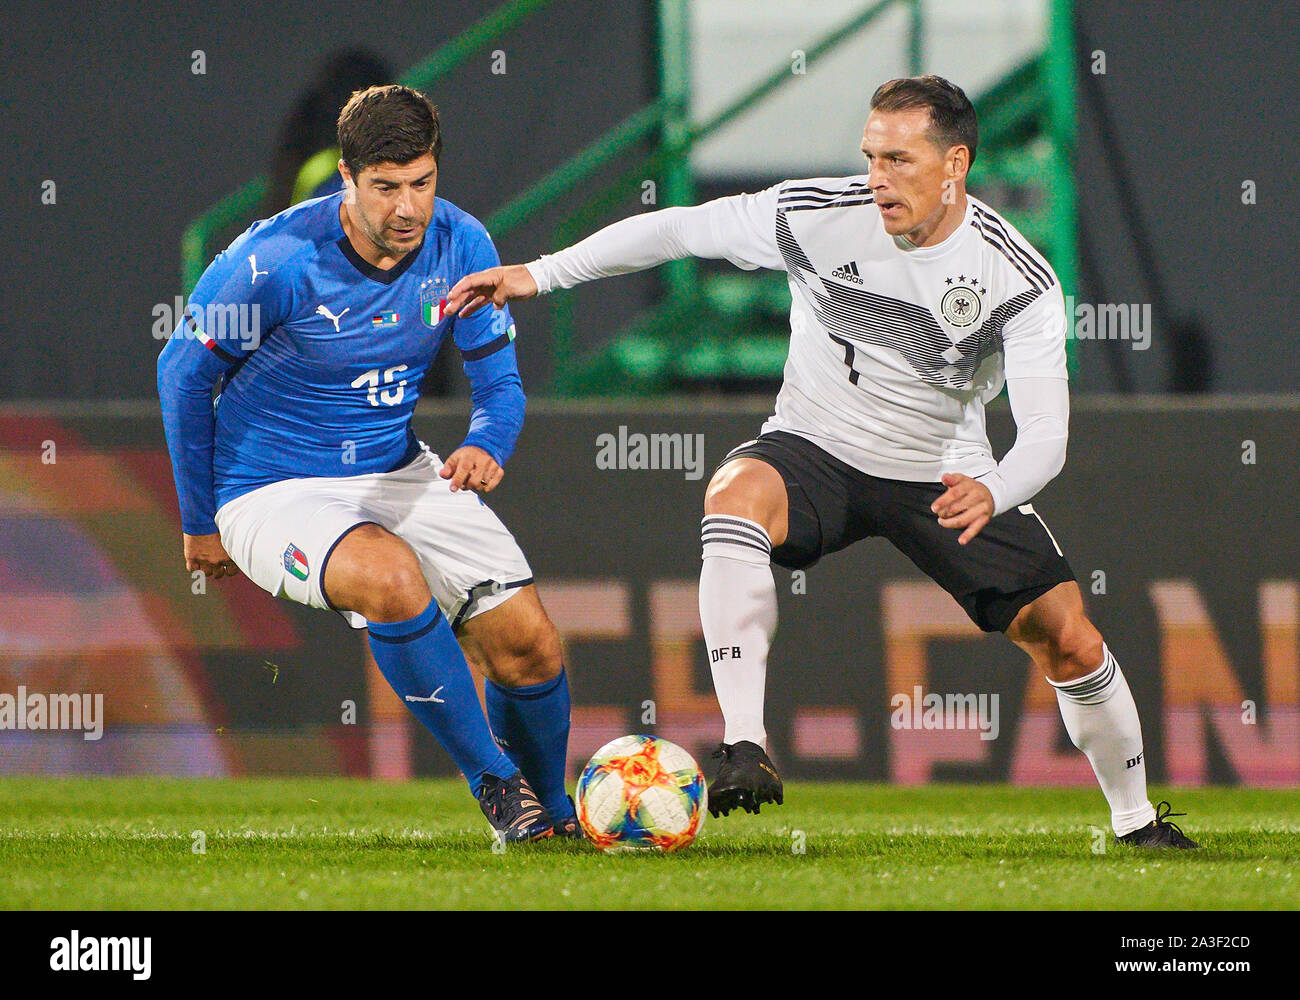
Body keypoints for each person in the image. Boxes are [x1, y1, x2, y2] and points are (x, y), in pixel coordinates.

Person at [445, 75, 1197, 849]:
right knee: (734, 493)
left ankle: (1137, 820)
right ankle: (745, 741)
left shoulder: (1018, 279)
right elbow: (677, 230)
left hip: (941, 472)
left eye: (901, 160)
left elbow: (1047, 435)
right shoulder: (814, 218)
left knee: (1068, 636)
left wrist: (994, 487)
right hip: (816, 446)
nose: (878, 178)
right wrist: (538, 274)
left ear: (956, 166)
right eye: (871, 156)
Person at [158, 84, 578, 843]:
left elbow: (499, 385)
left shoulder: (462, 246)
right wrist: (199, 522)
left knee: (530, 645)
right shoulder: (271, 261)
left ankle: (554, 817)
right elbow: (183, 374)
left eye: (421, 183)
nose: (407, 207)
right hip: (269, 490)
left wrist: (488, 443)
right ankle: (495, 784)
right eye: (385, 187)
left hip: (398, 473)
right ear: (346, 179)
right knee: (390, 578)